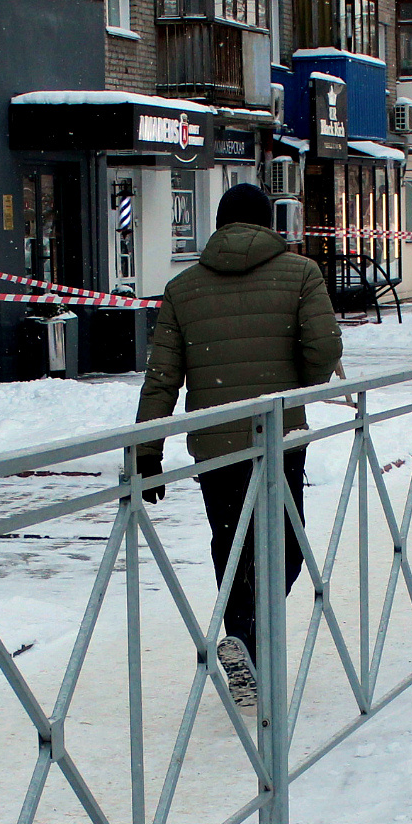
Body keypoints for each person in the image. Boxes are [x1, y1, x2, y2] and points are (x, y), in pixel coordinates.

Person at [134, 183, 343, 712]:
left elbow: (162, 376)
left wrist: (146, 448)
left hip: (216, 444)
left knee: (230, 544)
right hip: (277, 437)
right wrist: (303, 383)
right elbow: (323, 347)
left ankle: (242, 641)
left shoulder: (183, 288)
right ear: (267, 223)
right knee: (285, 545)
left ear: (220, 225)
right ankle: (250, 637)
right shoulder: (301, 274)